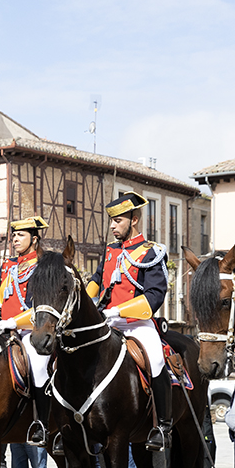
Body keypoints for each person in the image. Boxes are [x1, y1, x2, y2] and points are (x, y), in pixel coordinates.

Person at [87, 191, 171, 451]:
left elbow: (156, 294)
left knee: (156, 358)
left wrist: (118, 311)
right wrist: (86, 302)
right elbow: (96, 280)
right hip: (106, 323)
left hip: (136, 323)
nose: (112, 226)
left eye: (118, 221)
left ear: (134, 220)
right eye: (111, 221)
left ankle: (162, 426)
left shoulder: (150, 253)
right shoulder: (110, 251)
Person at [0, 216, 53, 447]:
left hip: (31, 331)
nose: (15, 240)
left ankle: (42, 424)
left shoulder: (43, 265)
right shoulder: (8, 265)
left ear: (34, 239)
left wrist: (13, 322)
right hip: (2, 329)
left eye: (20, 235)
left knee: (38, 365)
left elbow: (42, 307)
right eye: (13, 235)